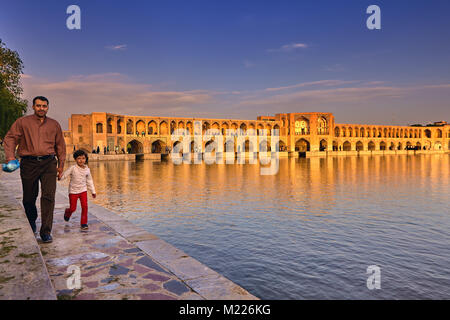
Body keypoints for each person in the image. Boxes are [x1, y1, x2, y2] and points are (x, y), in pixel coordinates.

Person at [3, 96, 66, 243]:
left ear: (47, 107)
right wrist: (10, 157)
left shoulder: (54, 125)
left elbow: (60, 146)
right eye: (38, 106)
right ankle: (32, 221)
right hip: (29, 163)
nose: (41, 108)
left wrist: (61, 165)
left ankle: (46, 231)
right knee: (29, 198)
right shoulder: (23, 122)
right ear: (33, 106)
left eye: (44, 106)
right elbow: (10, 138)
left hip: (49, 163)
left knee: (49, 197)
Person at [60, 150, 96, 231]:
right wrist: (59, 177)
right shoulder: (72, 168)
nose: (81, 160)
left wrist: (93, 191)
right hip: (73, 191)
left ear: (86, 159)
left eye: (83, 158)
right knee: (73, 208)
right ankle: (67, 212)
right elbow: (64, 175)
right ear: (75, 159)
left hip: (83, 190)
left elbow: (89, 181)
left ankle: (84, 223)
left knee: (85, 207)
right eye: (79, 158)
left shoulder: (87, 170)